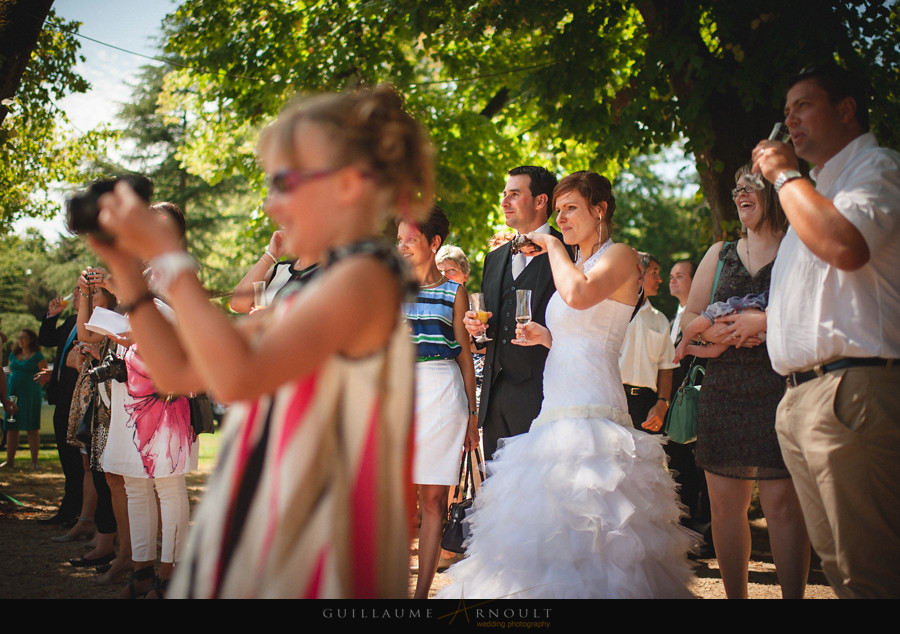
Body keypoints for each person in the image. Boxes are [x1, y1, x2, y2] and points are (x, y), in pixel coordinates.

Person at [88, 85, 432, 599]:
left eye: (285, 183)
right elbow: (178, 370)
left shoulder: (365, 279)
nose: (271, 205)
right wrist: (125, 268)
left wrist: (168, 256)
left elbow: (236, 377)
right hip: (278, 508)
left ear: (349, 184)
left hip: (322, 538)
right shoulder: (312, 291)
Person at [439, 171, 697, 599]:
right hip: (554, 404)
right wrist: (545, 336)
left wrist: (553, 245)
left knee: (595, 523)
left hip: (593, 403)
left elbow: (579, 297)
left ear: (600, 210)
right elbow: (575, 328)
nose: (561, 218)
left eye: (571, 208)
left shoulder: (621, 255)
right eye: (558, 211)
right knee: (546, 524)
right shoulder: (576, 263)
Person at [753, 64, 900, 598]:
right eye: (786, 111)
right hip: (800, 400)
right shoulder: (810, 198)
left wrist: (783, 176)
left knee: (871, 575)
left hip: (851, 392)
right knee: (841, 574)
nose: (790, 119)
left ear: (846, 109)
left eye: (804, 106)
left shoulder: (877, 168)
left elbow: (845, 245)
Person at [680, 164, 809, 599]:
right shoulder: (720, 253)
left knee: (783, 509)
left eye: (750, 186)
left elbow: (813, 313)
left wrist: (765, 323)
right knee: (725, 510)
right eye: (736, 188)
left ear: (775, 192)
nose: (739, 195)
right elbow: (689, 316)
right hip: (723, 392)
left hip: (782, 389)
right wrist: (714, 331)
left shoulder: (799, 248)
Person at [463, 166, 572, 459]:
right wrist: (476, 330)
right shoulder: (494, 258)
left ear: (540, 201)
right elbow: (489, 332)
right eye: (504, 194)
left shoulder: (570, 251)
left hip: (546, 396)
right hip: (494, 400)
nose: (504, 202)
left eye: (514, 194)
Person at [398, 206, 478, 599]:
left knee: (432, 501)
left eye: (409, 239)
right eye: (398, 240)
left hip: (444, 393)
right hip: (398, 392)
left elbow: (465, 357)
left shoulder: (454, 292)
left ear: (434, 243)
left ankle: (420, 597)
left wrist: (473, 416)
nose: (401, 247)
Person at [35, 292, 84, 525]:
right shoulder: (71, 321)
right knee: (66, 458)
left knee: (78, 461)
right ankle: (69, 509)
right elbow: (46, 339)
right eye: (75, 290)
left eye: (80, 290)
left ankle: (80, 512)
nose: (75, 294)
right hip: (62, 399)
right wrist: (52, 316)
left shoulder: (92, 322)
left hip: (79, 401)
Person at [618, 253, 677, 434]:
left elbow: (666, 367)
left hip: (647, 407)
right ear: (638, 272)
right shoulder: (613, 312)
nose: (660, 279)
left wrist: (662, 404)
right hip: (612, 398)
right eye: (654, 272)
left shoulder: (660, 320)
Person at [674, 291, 769, 362]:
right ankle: (684, 344)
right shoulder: (720, 311)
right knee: (700, 325)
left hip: (753, 323)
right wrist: (684, 342)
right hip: (731, 311)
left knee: (714, 351)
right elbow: (695, 325)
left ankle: (688, 349)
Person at [2, 329, 47, 469]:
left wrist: (32, 387)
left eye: (24, 337)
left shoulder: (38, 356)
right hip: (13, 393)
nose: (20, 340)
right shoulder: (13, 355)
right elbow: (10, 371)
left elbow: (44, 376)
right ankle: (9, 461)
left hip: (31, 395)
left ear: (31, 339)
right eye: (19, 337)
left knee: (31, 426)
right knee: (11, 426)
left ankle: (34, 461)